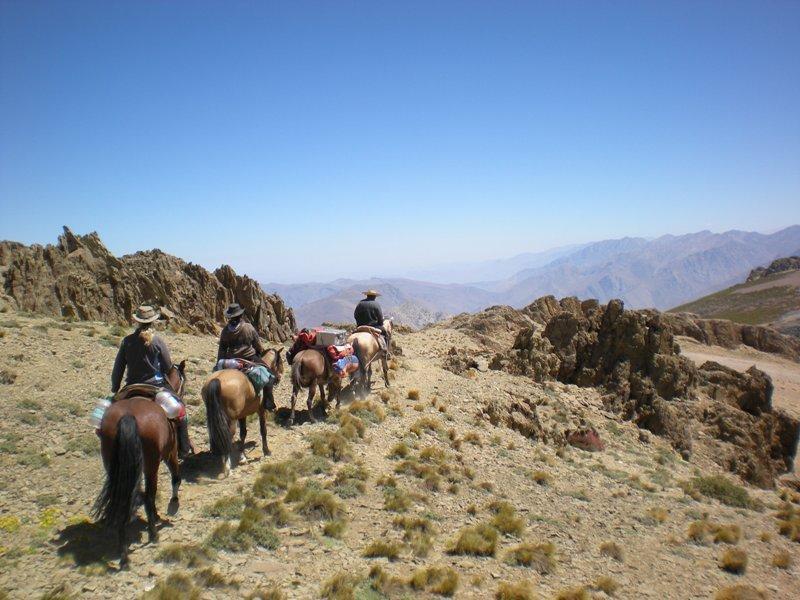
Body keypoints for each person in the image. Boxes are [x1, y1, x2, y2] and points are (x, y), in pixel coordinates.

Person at [111, 305, 194, 457]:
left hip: (130, 387)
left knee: (107, 414)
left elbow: (118, 368)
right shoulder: (157, 341)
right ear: (152, 322)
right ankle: (183, 448)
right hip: (155, 386)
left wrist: (115, 387)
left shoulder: (127, 341)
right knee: (181, 411)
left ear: (137, 322)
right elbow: (168, 366)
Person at [217, 302, 276, 409]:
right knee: (269, 375)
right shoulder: (248, 327)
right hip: (249, 358)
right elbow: (258, 345)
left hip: (230, 359)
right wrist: (260, 351)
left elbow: (222, 350)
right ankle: (268, 403)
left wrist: (219, 364)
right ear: (241, 315)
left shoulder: (225, 331)